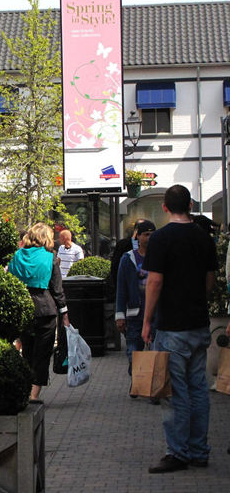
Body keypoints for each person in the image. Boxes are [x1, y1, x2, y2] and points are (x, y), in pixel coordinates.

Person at [142, 185, 217, 474]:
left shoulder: (161, 238)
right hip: (199, 324)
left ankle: (178, 452)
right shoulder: (203, 236)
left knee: (175, 391)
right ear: (190, 204)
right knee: (199, 388)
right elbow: (209, 279)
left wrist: (147, 321)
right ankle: (199, 450)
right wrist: (199, 300)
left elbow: (155, 282)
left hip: (172, 326)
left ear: (164, 207)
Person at [8, 222, 70, 401]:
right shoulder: (50, 257)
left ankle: (25, 390)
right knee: (42, 354)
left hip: (24, 308)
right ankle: (34, 395)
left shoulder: (16, 255)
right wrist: (64, 314)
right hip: (45, 309)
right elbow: (57, 290)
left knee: (27, 351)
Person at [115, 220, 157, 393]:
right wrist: (119, 315)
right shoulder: (128, 259)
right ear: (138, 236)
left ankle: (153, 388)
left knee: (155, 355)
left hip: (157, 316)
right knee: (134, 354)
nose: (149, 238)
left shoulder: (161, 257)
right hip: (134, 316)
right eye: (146, 234)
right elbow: (121, 288)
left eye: (153, 234)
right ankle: (136, 379)